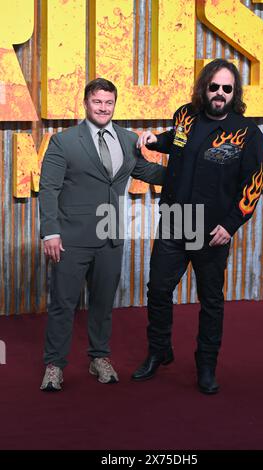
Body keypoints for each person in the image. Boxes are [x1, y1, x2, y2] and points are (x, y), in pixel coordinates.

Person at [132, 59, 263, 394]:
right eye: (214, 86)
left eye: (227, 88)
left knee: (211, 301)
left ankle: (206, 365)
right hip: (175, 222)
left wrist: (231, 224)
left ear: (234, 93)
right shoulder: (185, 115)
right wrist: (152, 140)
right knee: (159, 290)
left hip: (212, 232)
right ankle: (159, 351)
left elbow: (253, 184)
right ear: (204, 87)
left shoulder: (247, 133)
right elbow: (176, 141)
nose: (219, 93)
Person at [39, 78, 165, 391]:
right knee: (63, 304)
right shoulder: (63, 141)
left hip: (111, 235)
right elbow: (49, 188)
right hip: (71, 237)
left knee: (103, 302)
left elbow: (147, 173)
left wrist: (190, 168)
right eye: (98, 102)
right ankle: (54, 365)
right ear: (86, 103)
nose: (103, 108)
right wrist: (50, 232)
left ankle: (99, 357)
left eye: (108, 102)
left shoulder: (126, 138)